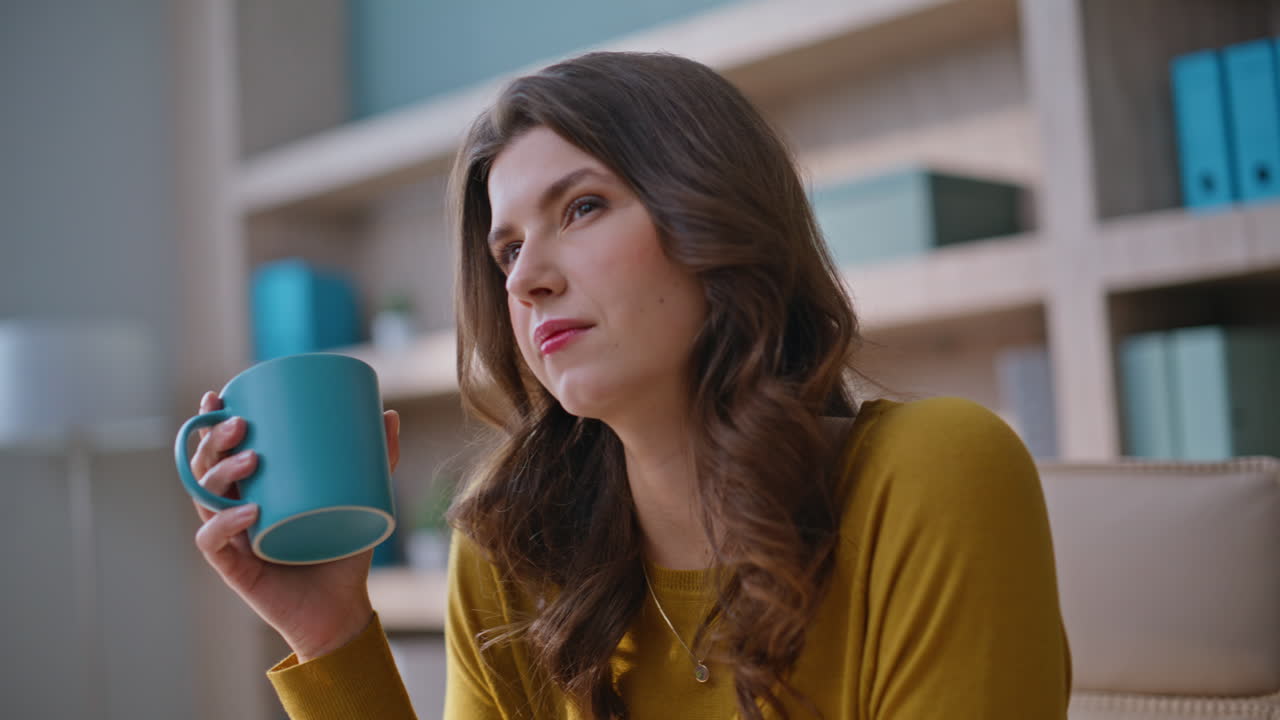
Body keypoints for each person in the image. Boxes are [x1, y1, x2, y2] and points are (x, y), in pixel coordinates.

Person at [188, 51, 1071, 719]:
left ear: (714, 214)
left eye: (582, 208)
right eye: (507, 250)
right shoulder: (510, 554)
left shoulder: (934, 476)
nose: (527, 279)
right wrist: (331, 634)